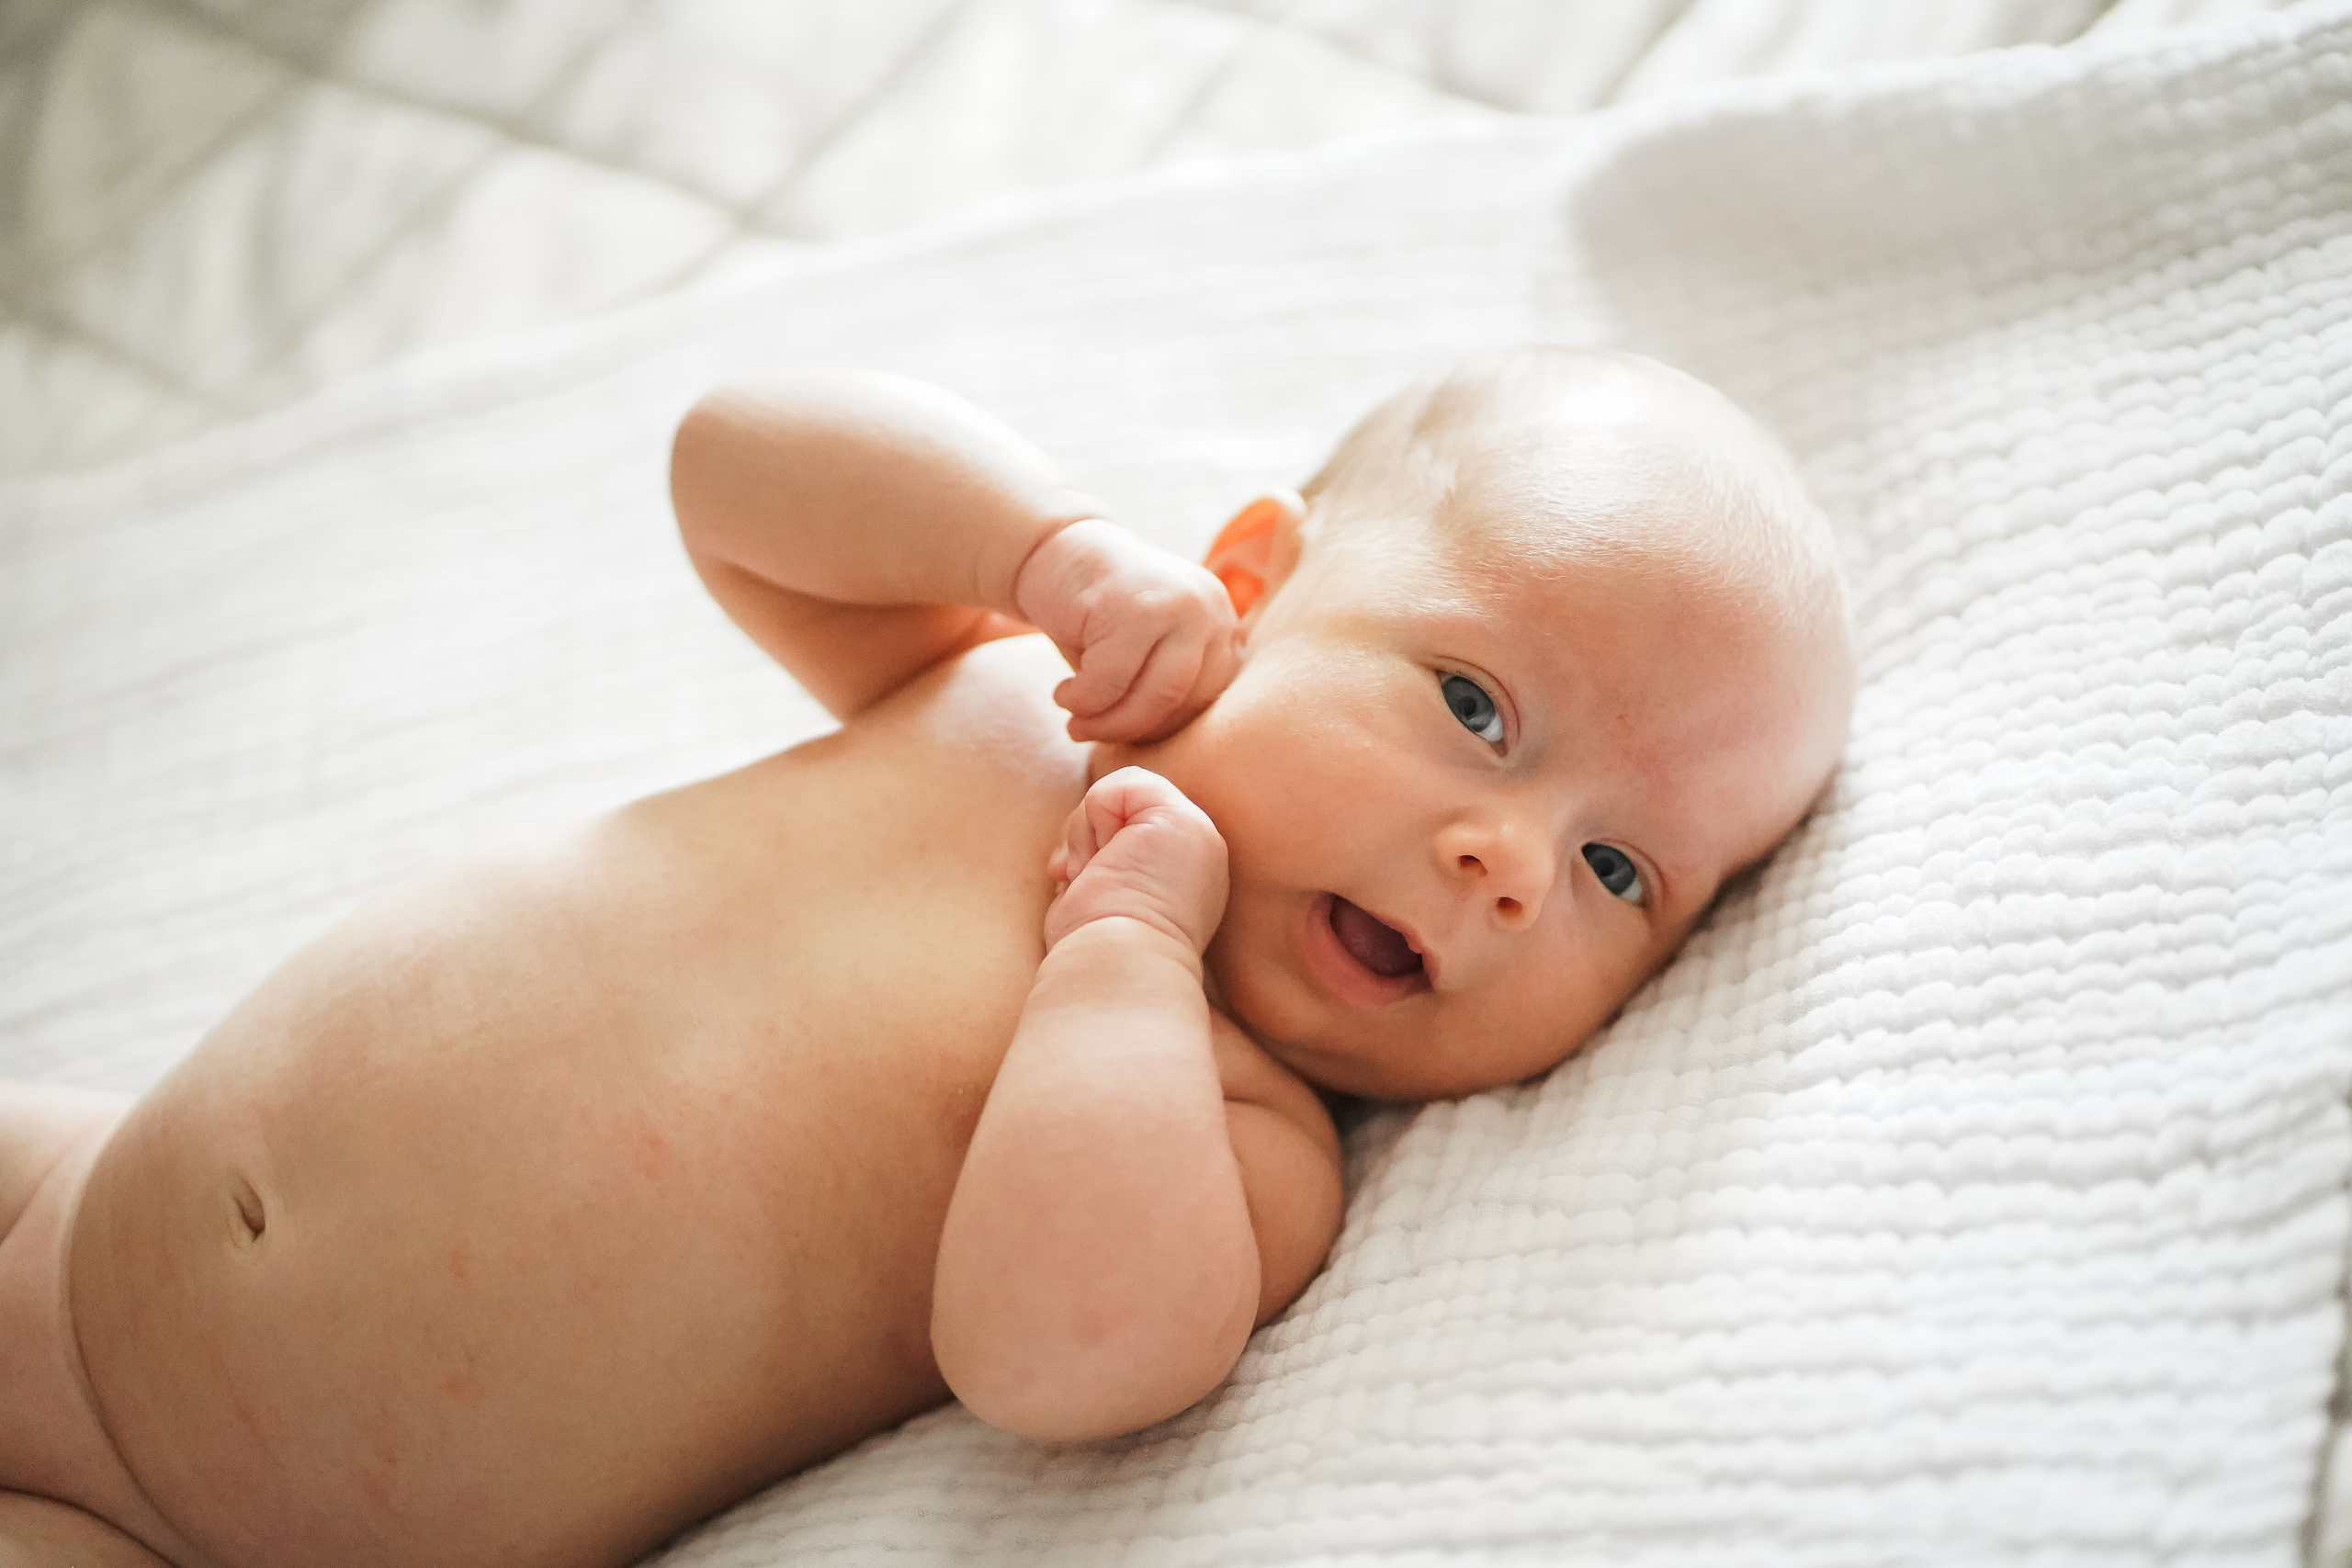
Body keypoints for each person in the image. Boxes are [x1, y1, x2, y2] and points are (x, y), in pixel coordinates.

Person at [0, 346, 1852, 1568]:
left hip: (195, 1527)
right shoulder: (1021, 700)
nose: (1507, 865)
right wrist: (1043, 551)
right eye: (1475, 705)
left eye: (1618, 869)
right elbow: (732, 467)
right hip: (74, 1193)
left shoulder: (1240, 1136)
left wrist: (1121, 955)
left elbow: (1055, 1355)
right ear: (1250, 581)